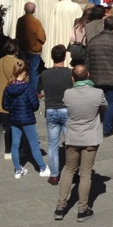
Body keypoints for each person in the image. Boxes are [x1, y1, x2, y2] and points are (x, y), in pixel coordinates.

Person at [54, 64, 107, 222]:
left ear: (73, 78)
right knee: (85, 173)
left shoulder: (68, 93)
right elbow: (105, 107)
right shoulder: (97, 93)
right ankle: (82, 209)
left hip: (73, 137)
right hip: (90, 137)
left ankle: (60, 207)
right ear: (88, 75)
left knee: (69, 170)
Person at [2, 59, 50, 179]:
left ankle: (18, 169)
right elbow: (35, 105)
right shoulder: (28, 88)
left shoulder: (8, 88)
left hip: (14, 118)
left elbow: (5, 105)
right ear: (24, 73)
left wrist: (13, 108)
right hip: (27, 119)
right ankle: (42, 167)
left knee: (15, 143)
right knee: (33, 143)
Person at [39, 44, 73, 185]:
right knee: (71, 144)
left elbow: (40, 92)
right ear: (65, 57)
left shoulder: (45, 74)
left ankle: (54, 175)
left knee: (53, 144)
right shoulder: (70, 74)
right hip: (66, 109)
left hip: (51, 109)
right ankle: (73, 172)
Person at [15, 2, 45, 88]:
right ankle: (32, 92)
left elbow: (18, 35)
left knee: (22, 70)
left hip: (22, 49)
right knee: (33, 72)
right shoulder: (36, 22)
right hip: (33, 51)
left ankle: (22, 88)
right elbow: (42, 37)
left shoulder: (20, 20)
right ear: (34, 10)